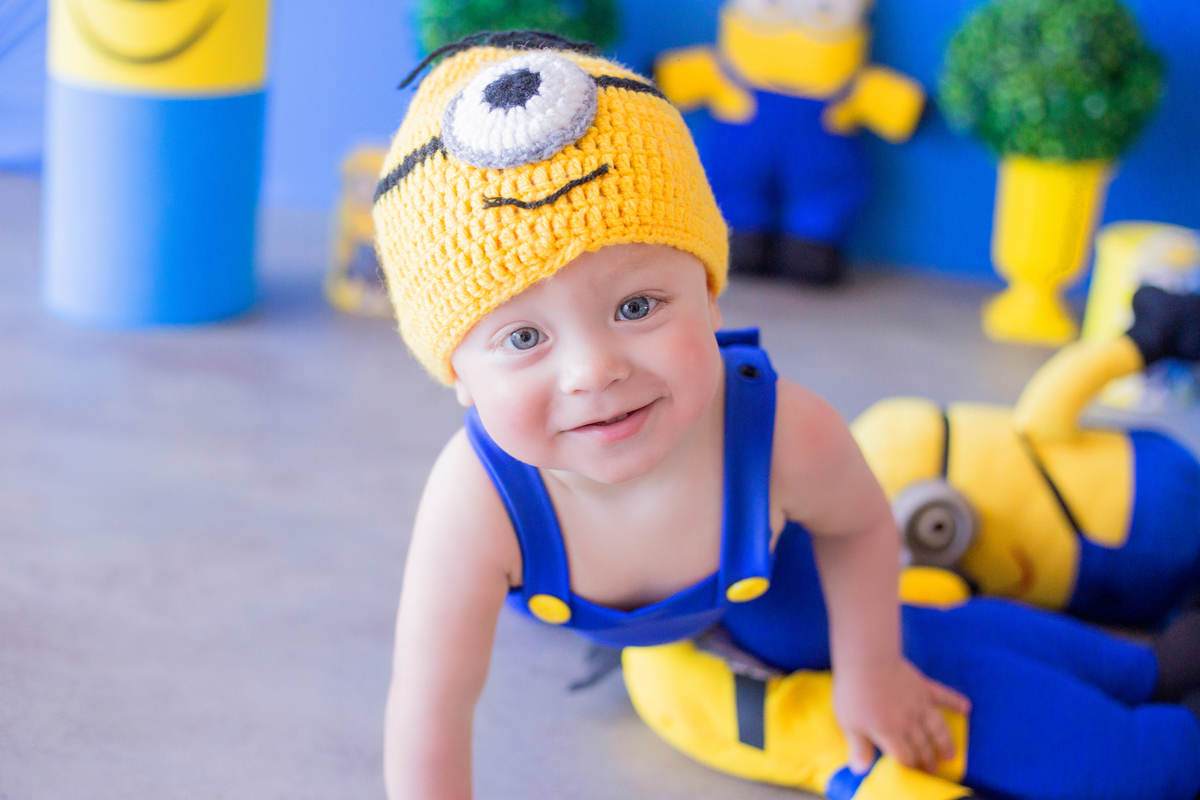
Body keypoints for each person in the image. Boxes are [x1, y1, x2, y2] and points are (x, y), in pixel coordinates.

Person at [371, 31, 1200, 800]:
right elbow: (432, 705)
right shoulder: (474, 508)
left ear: (709, 289)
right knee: (810, 637)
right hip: (657, 606)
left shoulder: (774, 433)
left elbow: (865, 529)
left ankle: (1145, 683)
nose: (595, 371)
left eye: (637, 306)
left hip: (773, 566)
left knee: (893, 639)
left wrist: (872, 668)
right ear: (460, 378)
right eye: (522, 336)